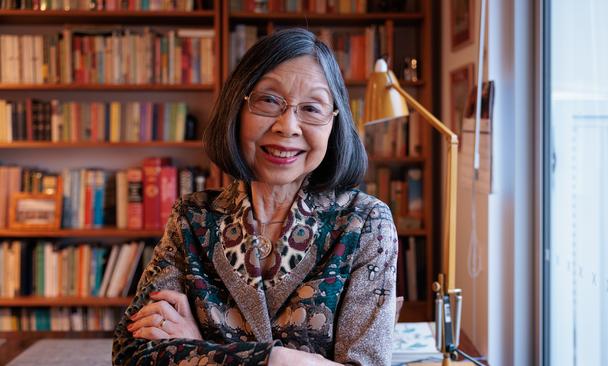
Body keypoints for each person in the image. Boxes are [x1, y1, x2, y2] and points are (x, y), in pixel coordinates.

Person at [112, 27, 398, 365]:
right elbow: (133, 354)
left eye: (311, 108)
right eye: (269, 100)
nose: (287, 126)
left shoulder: (363, 223)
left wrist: (201, 346)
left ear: (334, 122)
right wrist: (278, 360)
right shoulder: (192, 218)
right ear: (239, 106)